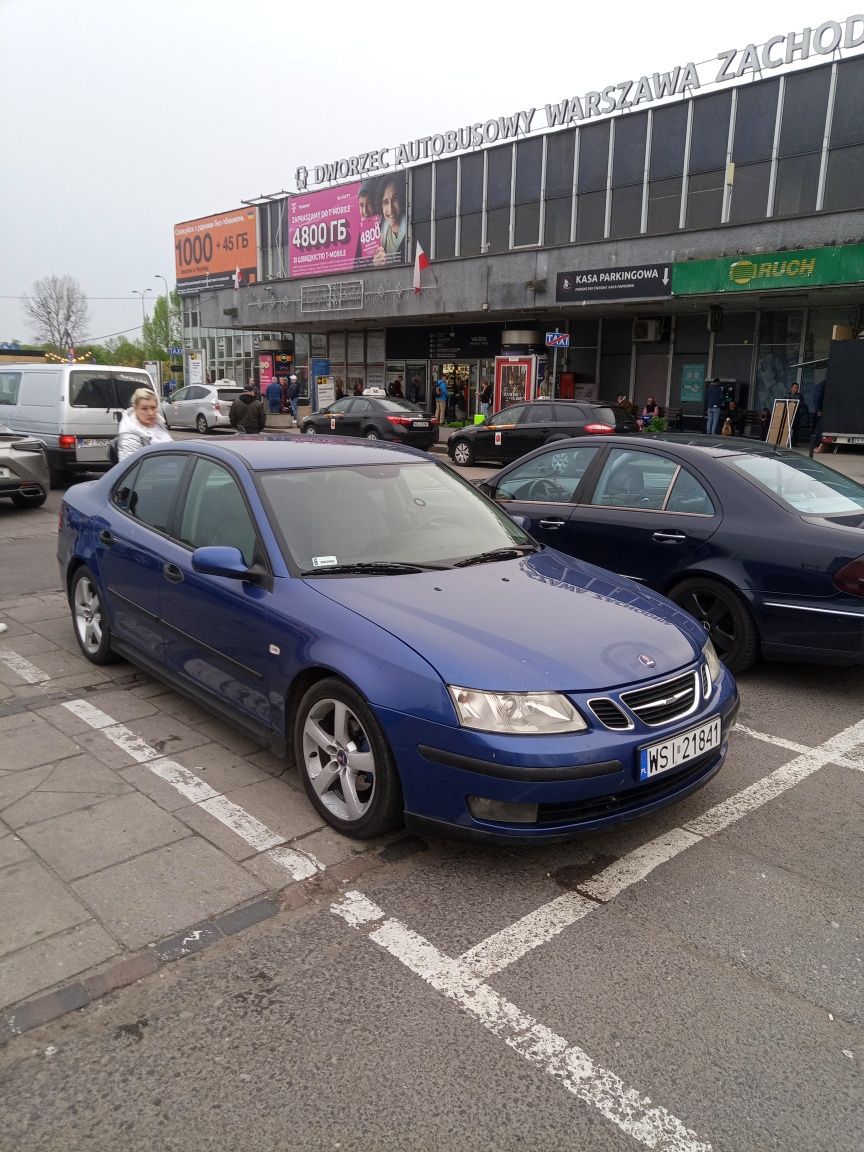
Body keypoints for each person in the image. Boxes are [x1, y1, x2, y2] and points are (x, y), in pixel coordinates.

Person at [116, 387, 173, 461]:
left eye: (153, 408)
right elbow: (131, 466)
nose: (150, 413)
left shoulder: (159, 424)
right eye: (144, 409)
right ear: (135, 409)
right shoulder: (130, 436)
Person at [372, 177, 407, 267]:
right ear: (381, 205)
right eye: (385, 202)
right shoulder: (375, 232)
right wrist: (375, 265)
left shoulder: (413, 228)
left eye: (395, 199)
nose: (391, 209)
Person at [787, 381, 809, 447]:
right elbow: (785, 402)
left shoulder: (799, 396)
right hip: (788, 414)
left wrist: (795, 403)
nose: (796, 389)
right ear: (791, 388)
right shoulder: (788, 395)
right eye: (795, 387)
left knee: (795, 429)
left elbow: (802, 404)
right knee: (787, 428)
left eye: (797, 388)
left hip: (796, 415)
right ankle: (786, 441)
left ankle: (794, 443)